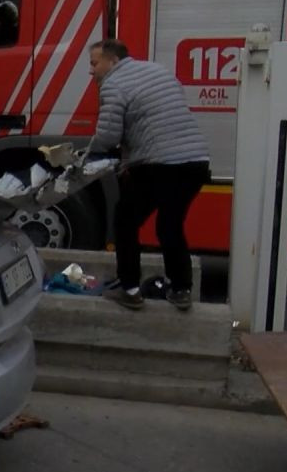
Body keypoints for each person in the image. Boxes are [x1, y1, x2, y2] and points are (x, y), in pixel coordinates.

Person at [88, 38, 211, 311]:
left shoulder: (113, 83)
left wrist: (84, 152)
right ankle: (181, 289)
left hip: (161, 164)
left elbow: (108, 137)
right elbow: (151, 121)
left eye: (95, 63)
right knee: (169, 225)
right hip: (196, 162)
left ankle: (130, 288)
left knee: (125, 219)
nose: (92, 70)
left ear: (113, 61)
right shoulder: (158, 70)